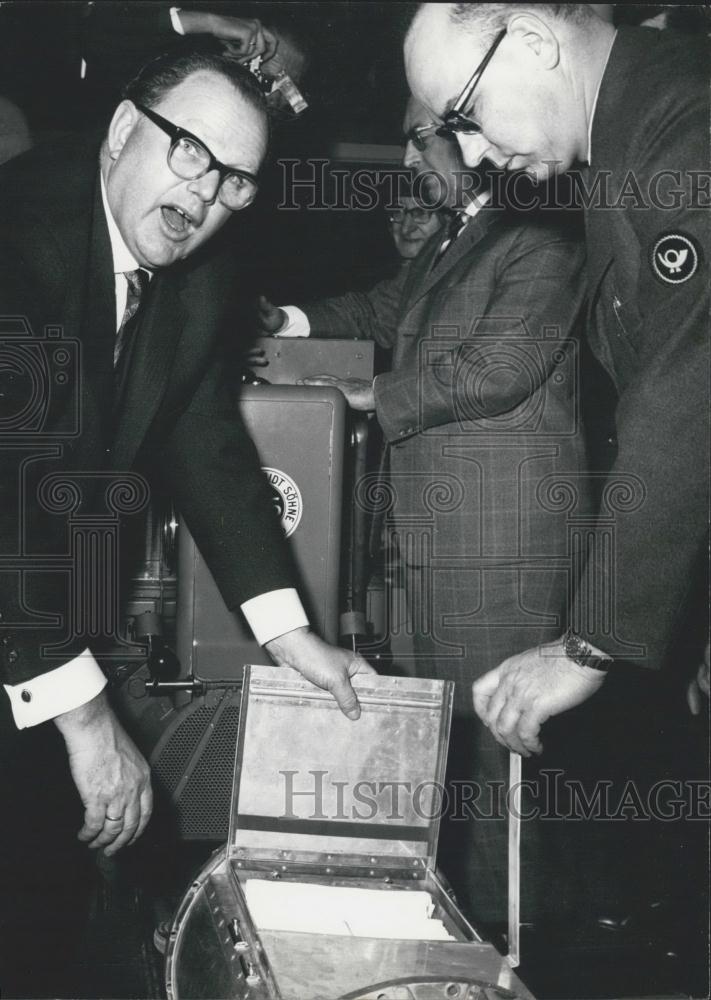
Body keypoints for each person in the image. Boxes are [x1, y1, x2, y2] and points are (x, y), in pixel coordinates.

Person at [0, 42, 373, 873]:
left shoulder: (200, 268)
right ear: (124, 127)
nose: (204, 194)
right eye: (191, 149)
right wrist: (90, 721)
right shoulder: (18, 238)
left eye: (234, 178)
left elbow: (200, 439)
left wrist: (288, 636)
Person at [258, 97, 588, 927]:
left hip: (501, 546)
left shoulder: (547, 231)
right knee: (445, 753)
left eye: (416, 138)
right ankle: (454, 937)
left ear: (471, 136)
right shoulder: (462, 233)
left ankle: (506, 952)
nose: (407, 161)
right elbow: (380, 310)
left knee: (491, 762)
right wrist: (284, 324)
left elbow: (500, 366)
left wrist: (369, 393)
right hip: (440, 538)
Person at [404, 1, 709, 756]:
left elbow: (687, 386)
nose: (470, 155)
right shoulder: (624, 141)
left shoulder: (682, 123)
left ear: (534, 40)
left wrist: (591, 643)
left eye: (465, 115)